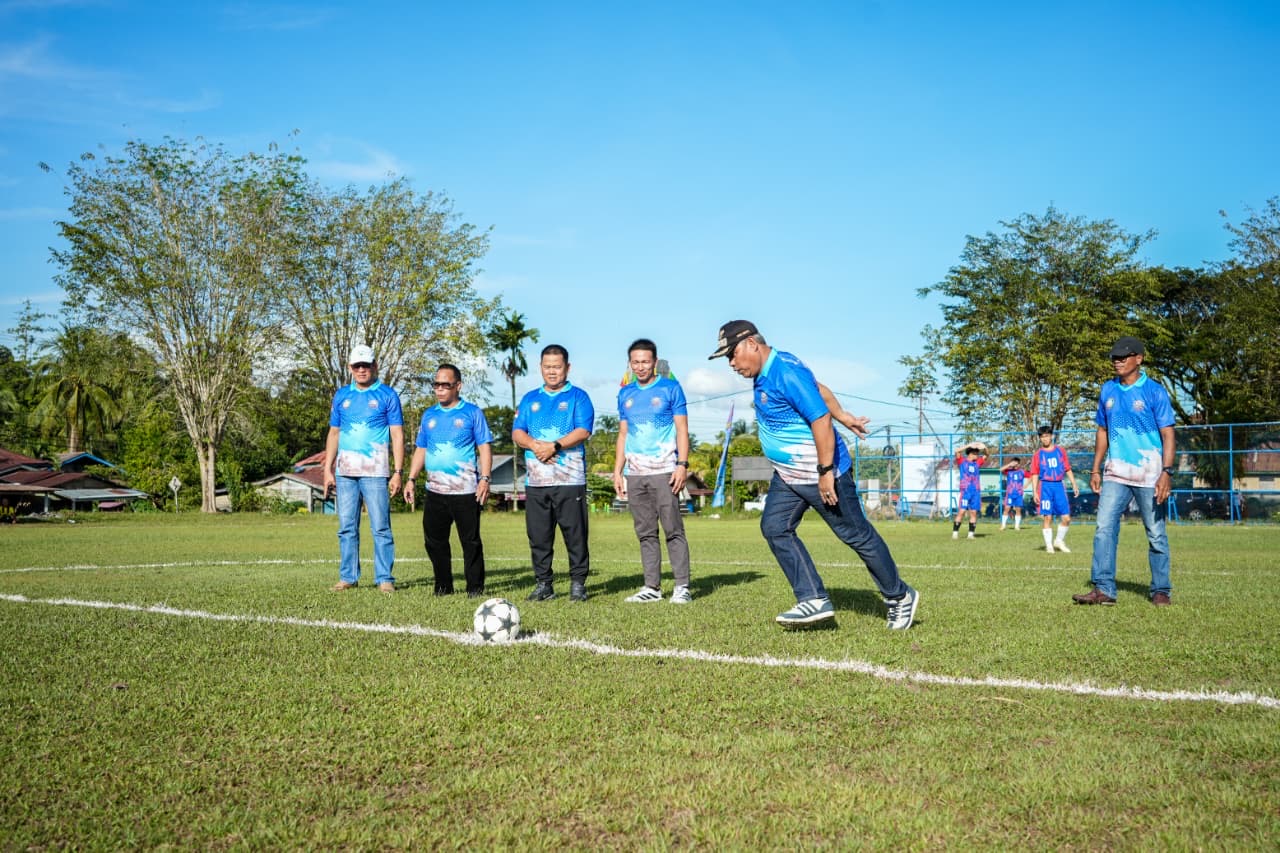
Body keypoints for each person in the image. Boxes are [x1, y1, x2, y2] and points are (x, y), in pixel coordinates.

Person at [709, 320, 918, 629]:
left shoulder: (784, 372)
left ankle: (899, 597)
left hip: (821, 472)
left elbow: (819, 418)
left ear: (752, 344)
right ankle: (813, 599)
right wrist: (844, 416)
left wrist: (825, 472)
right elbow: (819, 390)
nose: (731, 364)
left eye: (733, 354)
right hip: (790, 475)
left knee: (856, 535)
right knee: (775, 527)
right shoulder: (773, 367)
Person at [1075, 336, 1176, 606]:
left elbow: (1168, 434)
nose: (1117, 361)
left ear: (1139, 359)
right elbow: (1102, 431)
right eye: (1114, 357)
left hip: (1149, 474)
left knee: (1155, 533)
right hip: (1115, 473)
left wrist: (1167, 471)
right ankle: (1104, 589)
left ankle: (1161, 590)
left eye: (1124, 356)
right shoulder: (1108, 390)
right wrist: (1095, 469)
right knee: (1103, 528)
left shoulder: (1154, 391)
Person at [402, 363, 494, 598]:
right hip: (435, 491)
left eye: (445, 384)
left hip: (466, 491)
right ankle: (443, 587)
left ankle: (475, 589)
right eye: (436, 384)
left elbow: (484, 448)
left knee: (470, 542)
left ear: (458, 386)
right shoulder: (429, 415)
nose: (440, 389)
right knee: (434, 542)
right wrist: (411, 479)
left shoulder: (472, 413)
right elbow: (421, 449)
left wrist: (484, 478)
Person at [512, 344, 595, 602]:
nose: (552, 371)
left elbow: (583, 431)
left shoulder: (578, 397)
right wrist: (536, 445)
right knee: (538, 535)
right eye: (547, 367)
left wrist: (555, 445)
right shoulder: (529, 399)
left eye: (557, 367)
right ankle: (543, 584)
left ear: (567, 368)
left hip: (569, 480)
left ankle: (578, 584)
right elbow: (517, 433)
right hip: (536, 482)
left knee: (575, 533)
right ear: (540, 368)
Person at [613, 338, 693, 604]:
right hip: (635, 474)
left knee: (673, 529)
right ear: (630, 363)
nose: (640, 366)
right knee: (645, 531)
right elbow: (623, 434)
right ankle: (652, 587)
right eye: (635, 362)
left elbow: (682, 429)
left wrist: (682, 465)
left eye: (645, 361)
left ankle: (682, 586)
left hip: (664, 471)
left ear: (655, 362)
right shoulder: (625, 394)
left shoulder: (671, 388)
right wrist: (617, 471)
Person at [323, 344, 404, 592]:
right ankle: (348, 577)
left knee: (380, 527)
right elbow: (334, 433)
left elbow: (397, 435)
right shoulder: (341, 396)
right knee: (347, 527)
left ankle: (384, 579)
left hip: (376, 473)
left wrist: (398, 472)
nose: (361, 370)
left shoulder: (387, 395)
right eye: (357, 366)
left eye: (365, 365)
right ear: (350, 368)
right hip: (345, 473)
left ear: (374, 366)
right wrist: (328, 468)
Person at [1028, 425, 1080, 553]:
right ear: (1040, 439)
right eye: (1042, 437)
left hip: (1059, 486)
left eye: (1047, 436)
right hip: (1045, 486)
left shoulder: (1060, 451)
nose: (1045, 439)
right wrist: (1035, 491)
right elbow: (1034, 474)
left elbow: (1067, 468)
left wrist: (1074, 483)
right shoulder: (1038, 455)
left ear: (1051, 436)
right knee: (1048, 517)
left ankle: (1058, 541)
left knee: (1066, 518)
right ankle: (1049, 546)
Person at [951, 442, 987, 539]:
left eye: (977, 454)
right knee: (962, 511)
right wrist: (969, 445)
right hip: (966, 491)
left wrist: (984, 447)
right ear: (970, 454)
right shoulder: (962, 461)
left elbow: (986, 455)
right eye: (975, 453)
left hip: (975, 491)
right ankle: (955, 533)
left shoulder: (977, 463)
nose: (977, 455)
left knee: (974, 513)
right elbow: (957, 451)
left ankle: (971, 534)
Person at [999, 457, 1025, 530]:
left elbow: (1032, 476)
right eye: (1014, 463)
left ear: (1019, 464)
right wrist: (1009, 464)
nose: (1015, 465)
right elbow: (1000, 470)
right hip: (1010, 494)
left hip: (1019, 494)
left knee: (1018, 509)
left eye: (1017, 463)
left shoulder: (1022, 472)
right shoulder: (1009, 471)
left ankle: (1017, 526)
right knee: (1006, 508)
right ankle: (1003, 526)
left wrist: (1026, 485)